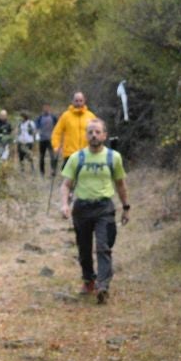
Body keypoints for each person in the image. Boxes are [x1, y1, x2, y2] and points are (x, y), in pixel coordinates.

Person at [57, 117, 130, 303]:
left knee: (103, 247)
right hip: (82, 208)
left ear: (104, 135)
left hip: (104, 207)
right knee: (84, 249)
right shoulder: (76, 158)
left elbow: (120, 184)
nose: (94, 135)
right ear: (86, 136)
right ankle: (89, 279)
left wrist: (126, 207)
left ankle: (103, 286)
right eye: (90, 132)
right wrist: (65, 204)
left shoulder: (113, 158)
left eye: (97, 132)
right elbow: (66, 185)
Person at [49, 90, 96, 167]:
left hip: (87, 153)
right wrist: (56, 146)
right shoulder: (66, 116)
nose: (78, 103)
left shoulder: (91, 116)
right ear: (72, 101)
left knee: (85, 178)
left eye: (81, 100)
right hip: (70, 154)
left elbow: (97, 133)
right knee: (69, 178)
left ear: (84, 101)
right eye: (76, 100)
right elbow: (56, 132)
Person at [33, 106, 57, 177]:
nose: (46, 110)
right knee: (42, 157)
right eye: (45, 109)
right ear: (43, 110)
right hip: (42, 140)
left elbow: (58, 125)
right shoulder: (40, 118)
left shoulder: (53, 117)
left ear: (50, 110)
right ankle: (42, 172)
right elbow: (35, 126)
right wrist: (36, 132)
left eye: (47, 109)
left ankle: (53, 170)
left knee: (52, 156)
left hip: (51, 140)